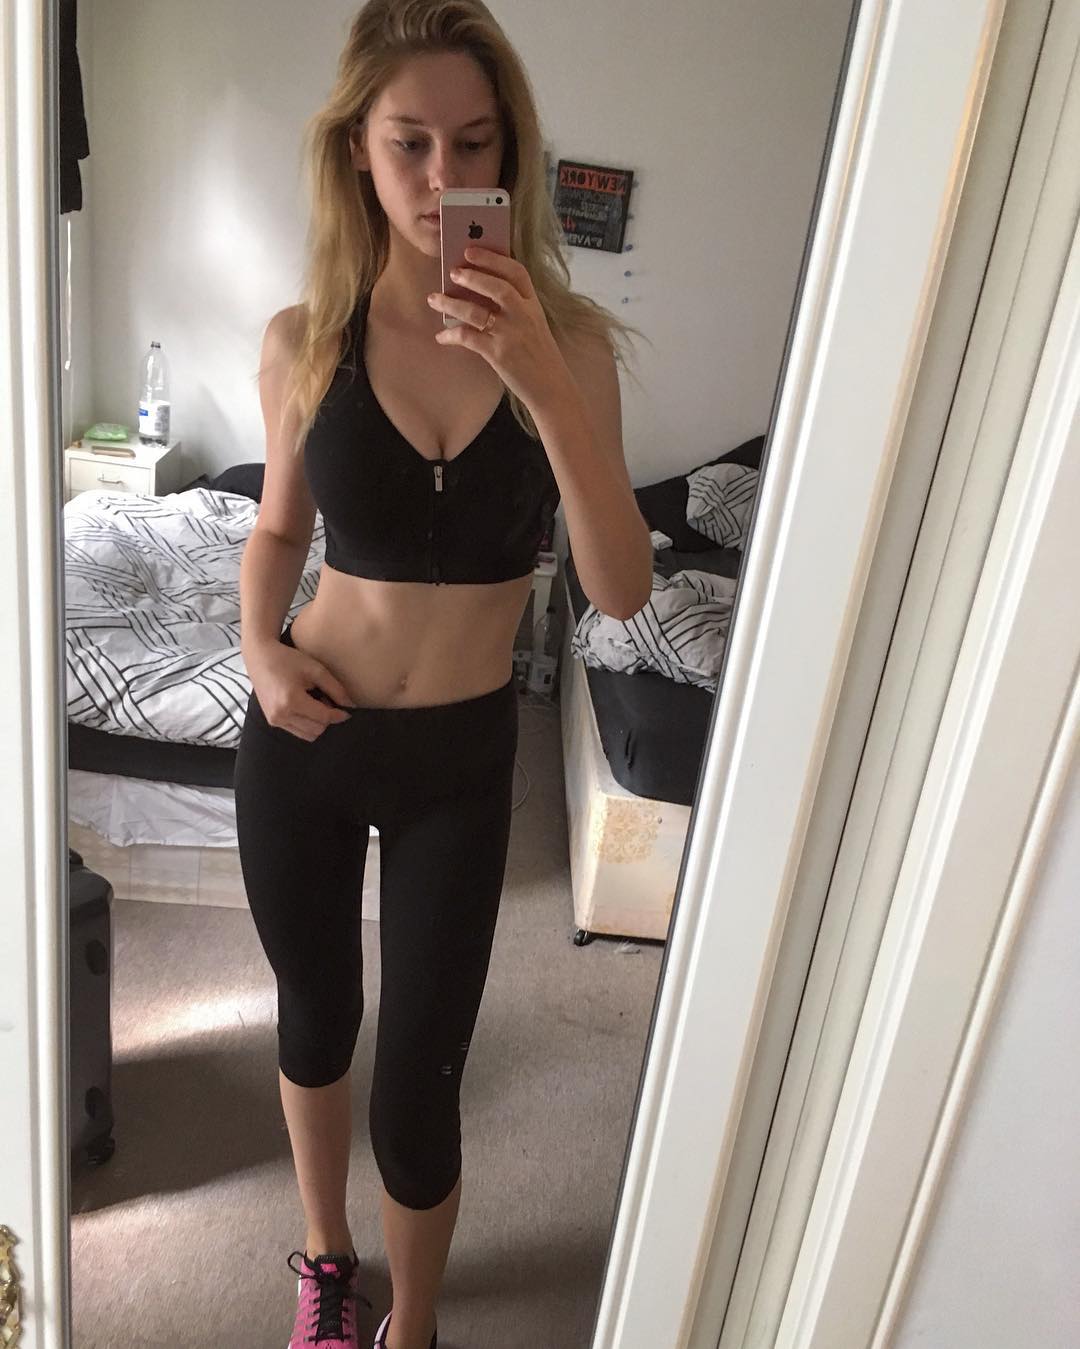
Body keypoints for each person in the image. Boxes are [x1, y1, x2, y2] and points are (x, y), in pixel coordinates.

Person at [232, 2, 653, 1346]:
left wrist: (541, 381)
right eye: (408, 142)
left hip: (460, 768)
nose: (439, 177)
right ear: (357, 151)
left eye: (473, 144)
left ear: (508, 158)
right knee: (316, 1016)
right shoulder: (305, 337)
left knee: (422, 1072)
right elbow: (277, 532)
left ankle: (410, 1324)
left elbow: (621, 588)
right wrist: (257, 648)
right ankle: (326, 1266)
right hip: (305, 738)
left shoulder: (569, 348)